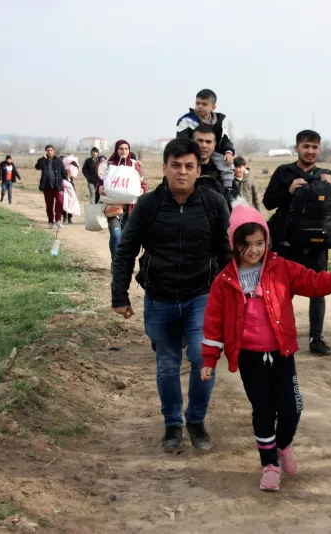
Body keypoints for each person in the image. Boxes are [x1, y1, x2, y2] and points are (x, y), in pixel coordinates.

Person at [200, 200, 331, 492]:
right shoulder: (224, 281)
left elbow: (314, 282)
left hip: (282, 354)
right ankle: (270, 464)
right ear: (234, 244)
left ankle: (283, 445)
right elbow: (213, 322)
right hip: (249, 358)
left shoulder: (281, 268)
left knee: (292, 407)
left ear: (267, 241)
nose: (254, 250)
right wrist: (209, 359)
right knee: (263, 410)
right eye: (246, 244)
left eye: (259, 243)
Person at [111, 138, 230, 453]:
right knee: (167, 364)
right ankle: (172, 424)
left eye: (189, 166)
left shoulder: (214, 203)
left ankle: (196, 420)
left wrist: (237, 296)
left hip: (202, 295)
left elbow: (226, 252)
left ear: (198, 170)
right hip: (160, 299)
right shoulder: (147, 205)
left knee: (202, 356)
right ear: (164, 168)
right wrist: (119, 295)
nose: (182, 171)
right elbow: (126, 250)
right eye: (175, 165)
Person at [262, 130, 331, 356]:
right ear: (297, 148)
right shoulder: (283, 172)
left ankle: (316, 339)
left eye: (314, 147)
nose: (310, 151)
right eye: (306, 146)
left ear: (320, 149)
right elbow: (268, 202)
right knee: (282, 293)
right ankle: (277, 335)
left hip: (317, 245)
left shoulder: (326, 174)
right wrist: (288, 191)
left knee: (318, 292)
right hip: (287, 245)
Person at [96, 140, 146, 262]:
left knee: (126, 237)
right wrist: (100, 188)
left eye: (126, 149)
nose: (124, 151)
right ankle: (116, 262)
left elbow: (143, 183)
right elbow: (100, 182)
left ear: (129, 151)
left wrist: (142, 189)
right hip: (113, 208)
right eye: (121, 149)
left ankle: (124, 262)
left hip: (130, 209)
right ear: (116, 150)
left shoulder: (134, 165)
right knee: (116, 234)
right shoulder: (108, 165)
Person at [176, 88, 236, 190]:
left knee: (226, 162)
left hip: (214, 151)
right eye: (197, 103)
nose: (200, 106)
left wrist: (229, 152)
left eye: (204, 104)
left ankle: (228, 188)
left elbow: (225, 140)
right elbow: (182, 140)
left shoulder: (218, 122)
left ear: (213, 107)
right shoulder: (187, 120)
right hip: (193, 152)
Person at [193, 124, 237, 208]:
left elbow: (233, 207)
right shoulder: (182, 172)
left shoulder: (224, 175)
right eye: (200, 141)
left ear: (215, 145)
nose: (204, 145)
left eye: (208, 142)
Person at [35, 145, 68, 229]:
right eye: (48, 150)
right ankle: (50, 221)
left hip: (58, 186)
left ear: (54, 151)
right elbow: (38, 167)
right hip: (47, 187)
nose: (49, 152)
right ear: (45, 151)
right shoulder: (42, 161)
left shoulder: (58, 161)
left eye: (51, 150)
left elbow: (63, 172)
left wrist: (67, 182)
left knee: (60, 202)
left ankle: (58, 220)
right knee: (49, 205)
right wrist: (43, 158)